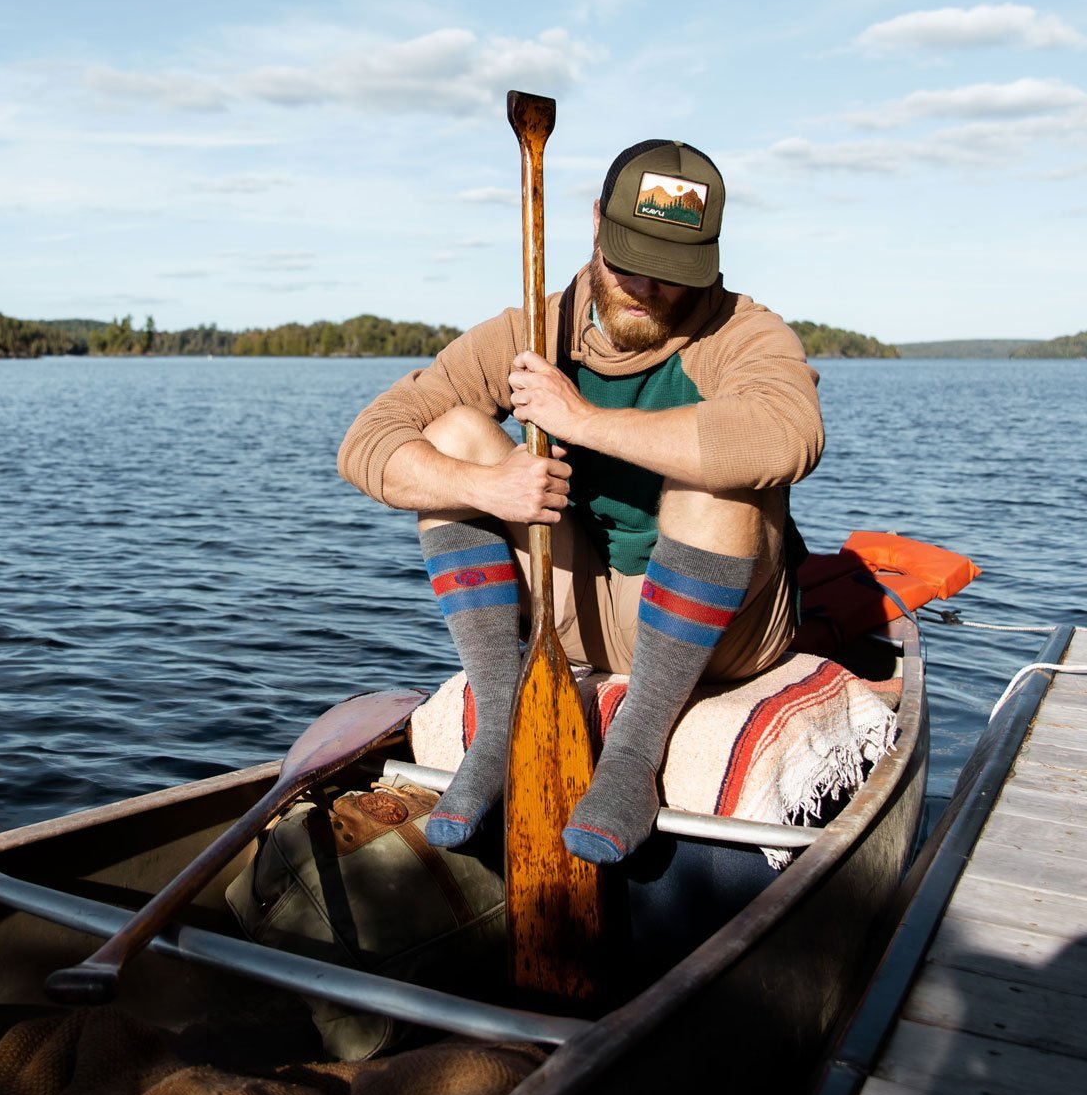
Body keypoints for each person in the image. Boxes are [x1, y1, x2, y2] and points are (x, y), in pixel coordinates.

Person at [338, 139, 823, 865]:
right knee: (455, 437)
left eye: (671, 271)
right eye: (629, 259)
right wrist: (486, 487)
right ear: (596, 223)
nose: (646, 286)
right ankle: (502, 717)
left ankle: (634, 754)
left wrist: (582, 421)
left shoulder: (740, 331)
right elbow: (367, 444)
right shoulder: (534, 329)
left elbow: (790, 435)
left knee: (717, 473)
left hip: (719, 635)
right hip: (573, 617)